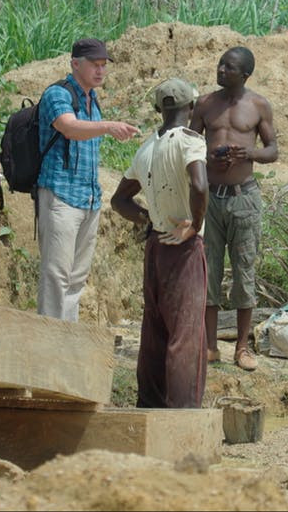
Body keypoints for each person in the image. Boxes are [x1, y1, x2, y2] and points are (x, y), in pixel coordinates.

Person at [110, 78, 208, 408]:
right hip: (182, 250)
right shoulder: (190, 142)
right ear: (191, 108)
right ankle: (183, 414)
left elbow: (119, 200)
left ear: (158, 110)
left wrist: (147, 220)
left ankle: (149, 407)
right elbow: (199, 184)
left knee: (154, 331)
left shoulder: (147, 148)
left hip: (155, 247)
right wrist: (194, 225)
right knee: (185, 336)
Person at [36, 37, 140, 321]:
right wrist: (108, 126)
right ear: (75, 64)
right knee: (56, 273)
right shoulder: (57, 94)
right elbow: (69, 127)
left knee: (77, 277)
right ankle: (47, 339)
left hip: (89, 199)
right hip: (60, 196)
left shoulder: (92, 99)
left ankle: (66, 338)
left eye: (104, 65)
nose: (100, 70)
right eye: (94, 64)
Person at [190, 46, 278, 371]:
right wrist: (208, 155)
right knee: (208, 270)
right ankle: (210, 345)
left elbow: (273, 150)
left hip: (244, 198)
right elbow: (189, 141)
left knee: (244, 271)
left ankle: (242, 348)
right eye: (220, 64)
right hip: (210, 197)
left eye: (229, 67)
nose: (221, 69)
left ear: (245, 75)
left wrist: (248, 154)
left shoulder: (258, 105)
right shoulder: (205, 104)